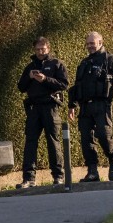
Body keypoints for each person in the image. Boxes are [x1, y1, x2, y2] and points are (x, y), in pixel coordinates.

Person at [67, 31, 113, 182]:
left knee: (104, 135)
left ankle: (112, 156)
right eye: (87, 44)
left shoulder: (111, 60)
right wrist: (72, 105)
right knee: (86, 139)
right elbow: (77, 86)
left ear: (100, 42)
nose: (90, 46)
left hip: (102, 106)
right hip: (85, 107)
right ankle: (92, 171)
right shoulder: (84, 63)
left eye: (92, 43)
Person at [16, 36, 68, 188]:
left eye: (43, 49)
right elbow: (21, 87)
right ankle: (28, 178)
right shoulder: (30, 67)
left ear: (48, 48)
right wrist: (30, 77)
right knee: (30, 142)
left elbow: (64, 84)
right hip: (33, 108)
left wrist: (45, 79)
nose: (40, 51)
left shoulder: (56, 64)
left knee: (53, 141)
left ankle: (58, 176)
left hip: (50, 106)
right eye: (38, 49)